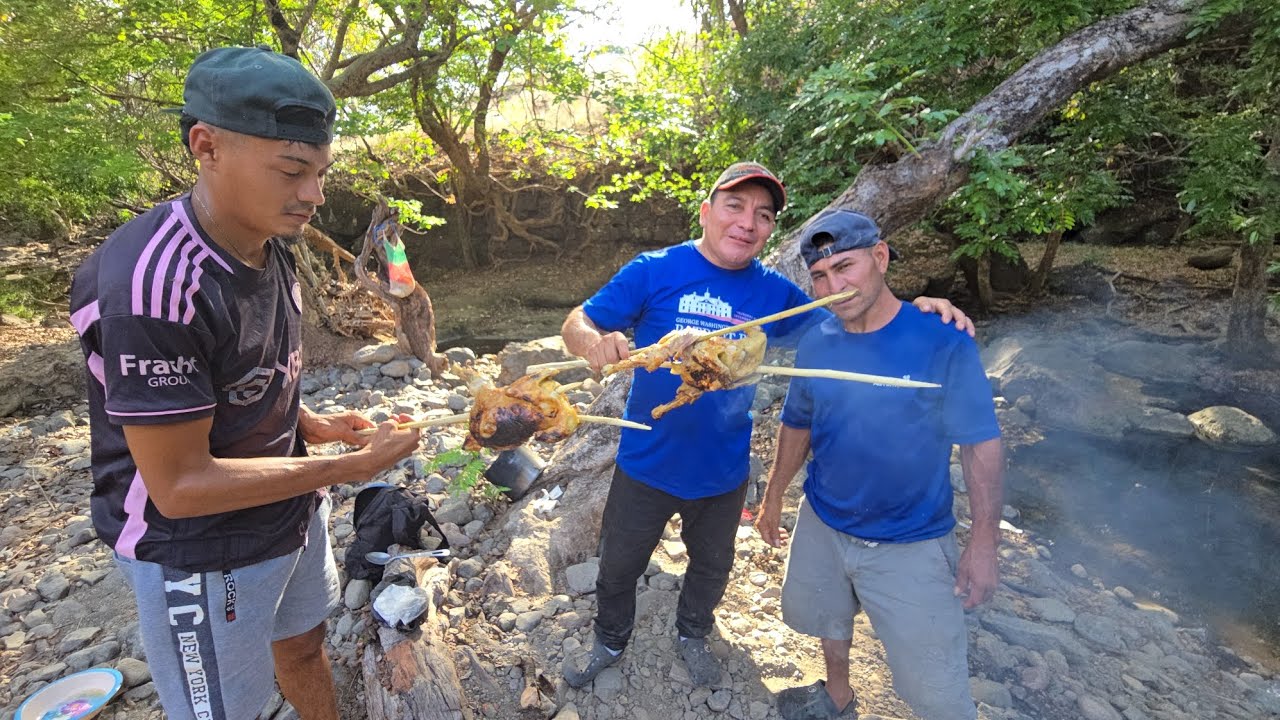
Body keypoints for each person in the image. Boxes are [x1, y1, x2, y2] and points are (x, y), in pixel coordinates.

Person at [69, 46, 421, 720]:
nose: (314, 195)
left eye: (319, 172)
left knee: (301, 644)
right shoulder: (152, 289)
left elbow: (246, 379)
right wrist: (351, 466)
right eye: (293, 170)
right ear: (207, 146)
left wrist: (314, 428)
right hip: (199, 552)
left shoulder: (271, 244)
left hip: (287, 512)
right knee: (224, 707)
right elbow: (180, 486)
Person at [558, 161, 974, 689]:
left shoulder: (774, 294)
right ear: (707, 213)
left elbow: (857, 324)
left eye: (763, 214)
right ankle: (610, 638)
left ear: (771, 230)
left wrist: (916, 310)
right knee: (617, 567)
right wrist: (593, 342)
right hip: (646, 462)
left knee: (711, 570)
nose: (747, 222)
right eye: (735, 206)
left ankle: (693, 633)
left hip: (724, 471)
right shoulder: (654, 269)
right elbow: (580, 320)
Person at [754, 209, 1004, 720]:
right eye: (821, 276)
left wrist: (983, 543)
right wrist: (776, 493)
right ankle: (838, 696)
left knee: (936, 687)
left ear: (881, 256)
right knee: (830, 618)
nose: (834, 286)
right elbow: (797, 422)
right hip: (824, 519)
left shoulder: (942, 339)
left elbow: (980, 444)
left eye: (845, 267)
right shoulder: (818, 340)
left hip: (910, 539)